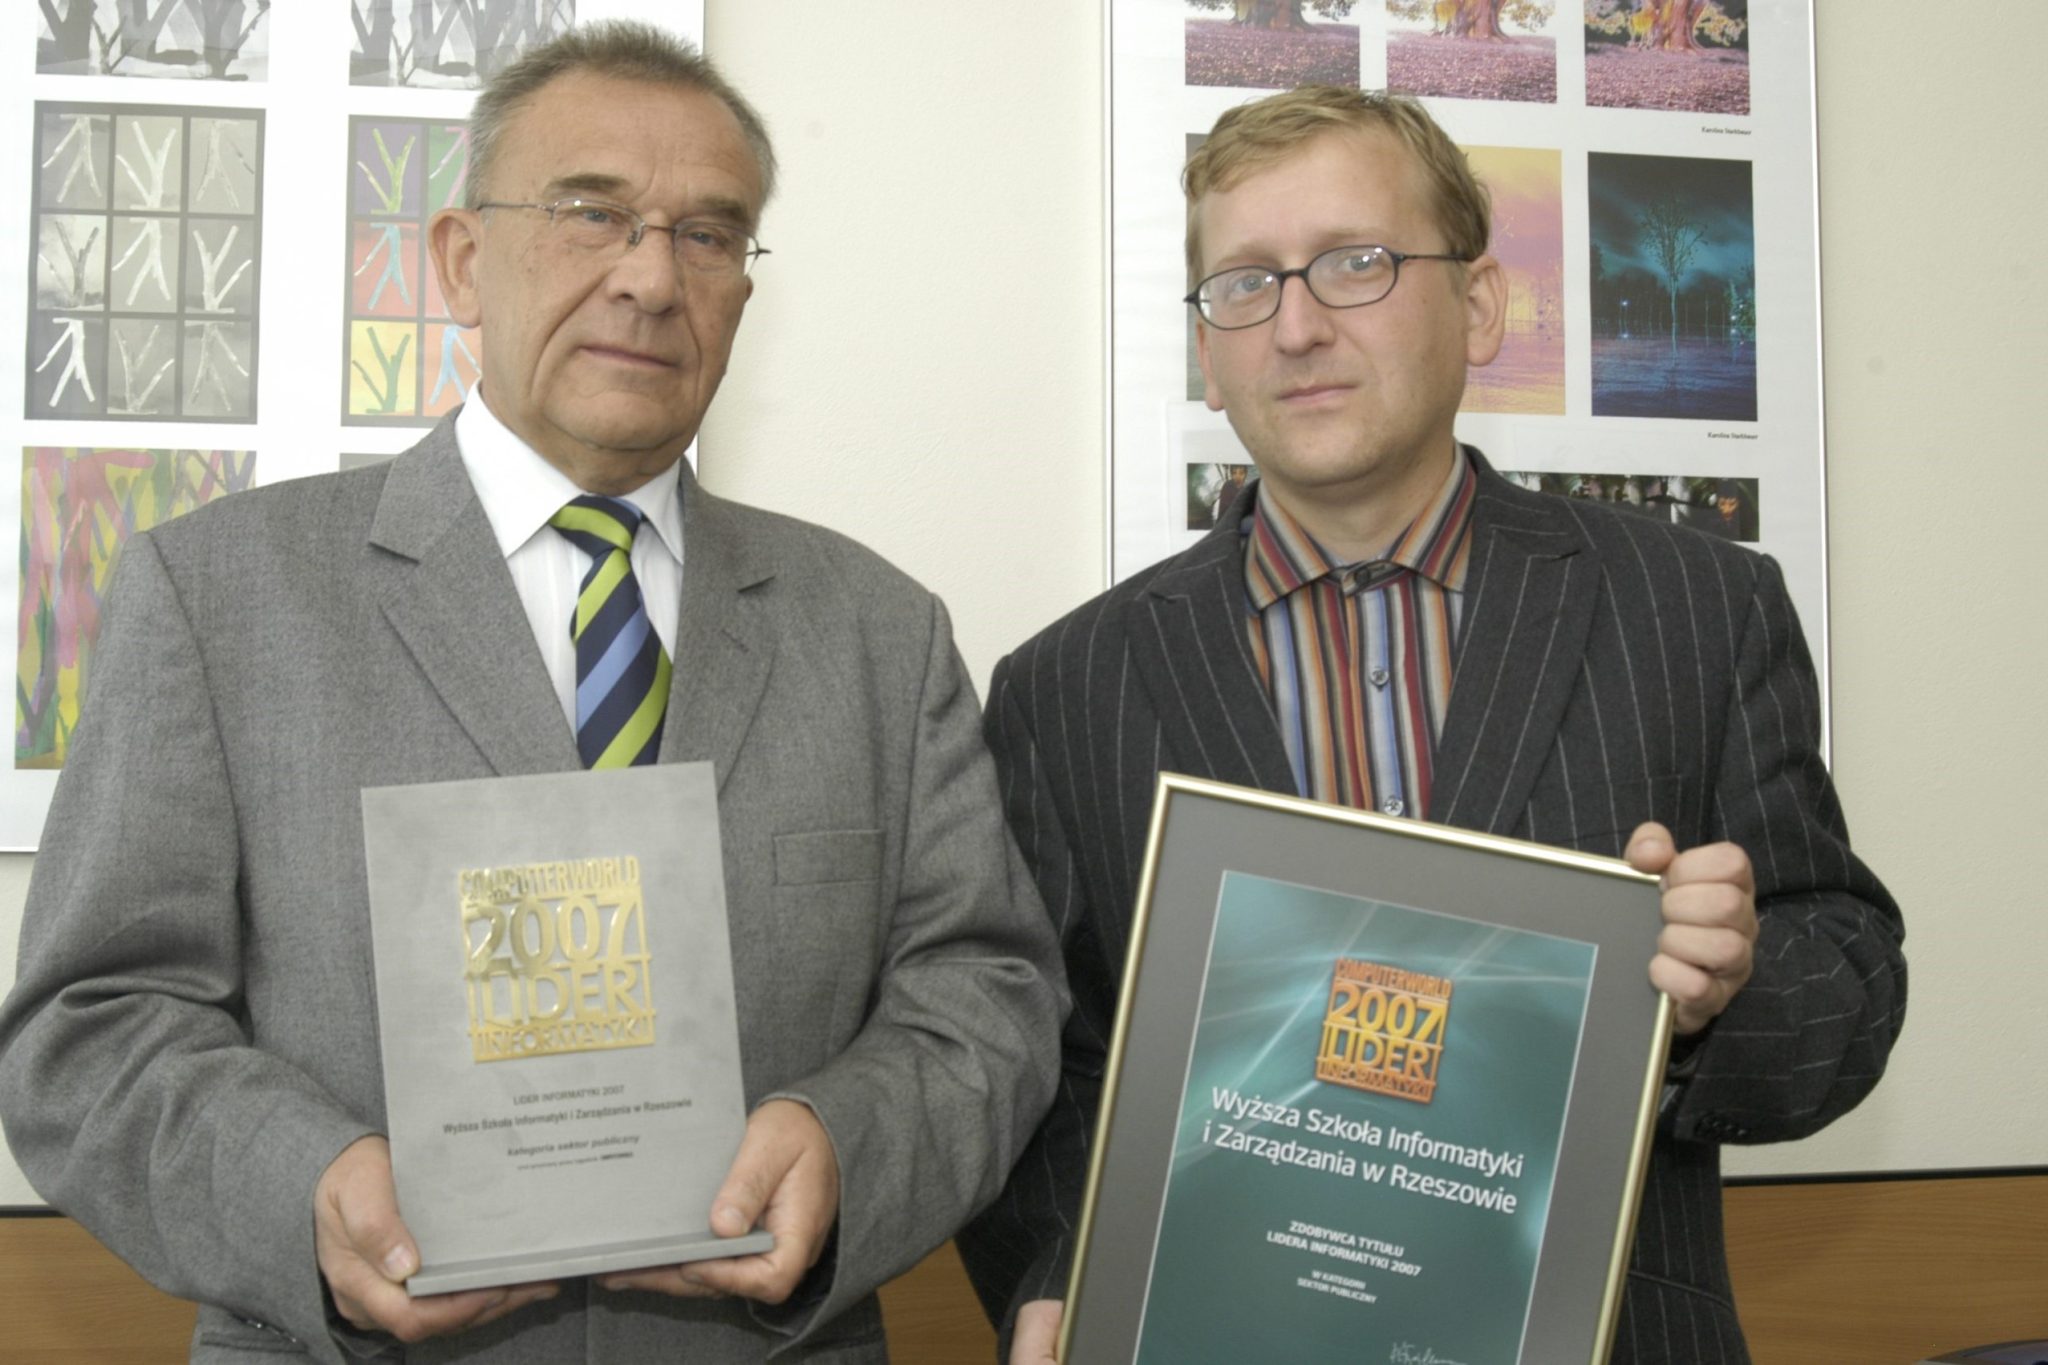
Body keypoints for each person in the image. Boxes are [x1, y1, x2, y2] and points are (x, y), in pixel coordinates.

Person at [0, 22, 1063, 1364]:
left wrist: (847, 1144)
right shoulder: (218, 598)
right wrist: (302, 1189)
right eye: (590, 214)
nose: (651, 278)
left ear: (744, 290)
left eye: (708, 235)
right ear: (461, 259)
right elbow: (87, 1027)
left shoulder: (877, 630)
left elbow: (987, 989)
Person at [958, 86, 1904, 1365]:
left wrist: (1714, 997)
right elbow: (1036, 1063)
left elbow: (1845, 979)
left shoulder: (1694, 607)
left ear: (1478, 306)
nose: (1295, 325)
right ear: (1205, 353)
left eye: (1355, 263)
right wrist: (1063, 1280)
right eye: (1243, 283)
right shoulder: (1066, 685)